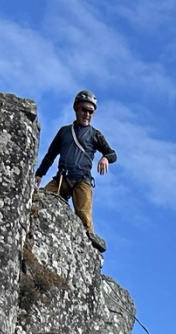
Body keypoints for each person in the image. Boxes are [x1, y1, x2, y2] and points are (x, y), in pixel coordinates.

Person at [35, 89, 117, 252]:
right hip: (62, 179)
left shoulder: (95, 135)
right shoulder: (64, 132)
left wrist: (105, 158)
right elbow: (51, 155)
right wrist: (39, 174)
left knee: (84, 219)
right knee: (40, 201)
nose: (87, 114)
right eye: (84, 110)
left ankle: (90, 254)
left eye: (90, 111)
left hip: (82, 181)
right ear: (76, 109)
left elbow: (112, 153)